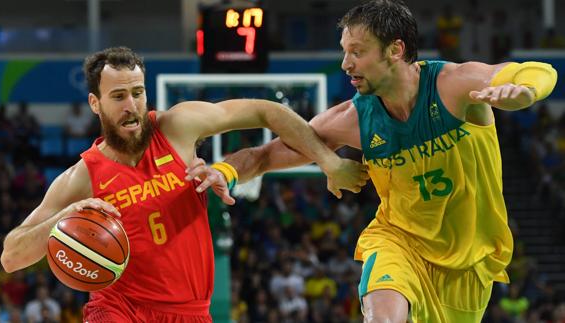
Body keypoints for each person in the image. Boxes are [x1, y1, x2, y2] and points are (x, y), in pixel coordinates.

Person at [187, 1, 558, 322]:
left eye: (358, 52)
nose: (346, 63)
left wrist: (523, 91)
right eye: (344, 51)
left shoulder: (454, 85)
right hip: (398, 240)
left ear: (395, 50)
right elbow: (267, 154)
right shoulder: (352, 119)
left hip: (468, 258)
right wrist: (225, 171)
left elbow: (538, 70)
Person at [0, 46, 367, 322]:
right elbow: (12, 256)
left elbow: (265, 111)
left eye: (137, 92)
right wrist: (66, 216)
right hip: (120, 309)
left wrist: (329, 161)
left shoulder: (176, 127)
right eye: (118, 96)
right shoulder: (84, 176)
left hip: (191, 311)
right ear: (95, 104)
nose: (132, 105)